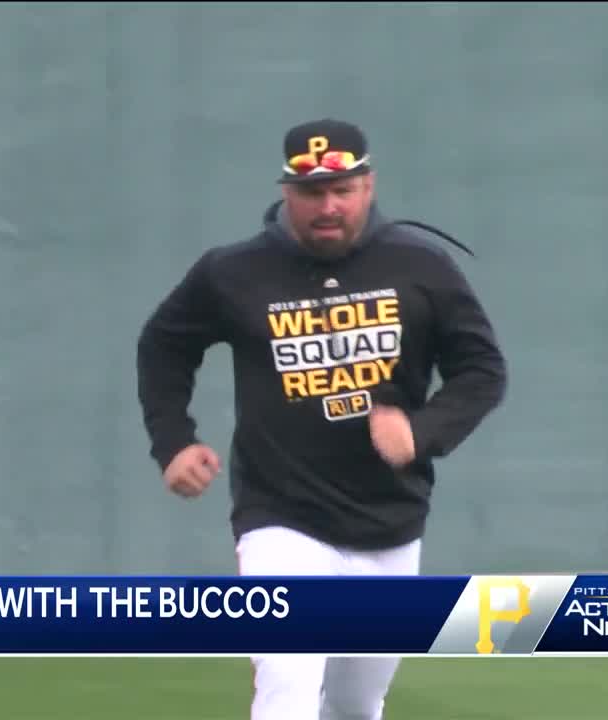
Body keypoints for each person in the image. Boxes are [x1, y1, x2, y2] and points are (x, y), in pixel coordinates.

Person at [136, 119, 507, 720]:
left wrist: (422, 433)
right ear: (286, 193)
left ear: (369, 185)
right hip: (280, 518)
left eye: (343, 189)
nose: (328, 207)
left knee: (357, 705)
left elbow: (482, 369)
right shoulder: (233, 272)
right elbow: (163, 346)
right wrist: (173, 441)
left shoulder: (419, 265)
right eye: (312, 193)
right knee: (287, 685)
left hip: (389, 520)